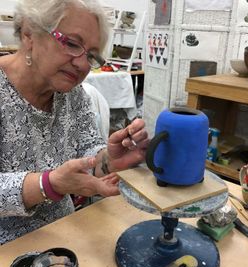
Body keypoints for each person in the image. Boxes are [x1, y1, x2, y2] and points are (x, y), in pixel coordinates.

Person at [0, 0, 149, 245]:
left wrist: (109, 159)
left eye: (91, 56)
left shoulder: (72, 94)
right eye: (71, 43)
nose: (82, 64)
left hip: (65, 233)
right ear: (29, 34)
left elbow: (87, 154)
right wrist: (48, 184)